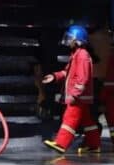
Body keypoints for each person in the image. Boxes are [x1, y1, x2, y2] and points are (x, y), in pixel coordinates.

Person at [42, 25, 99, 154]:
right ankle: (94, 144)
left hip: (78, 96)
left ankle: (61, 144)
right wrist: (55, 76)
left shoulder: (82, 55)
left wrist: (74, 94)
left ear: (77, 40)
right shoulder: (76, 54)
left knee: (69, 118)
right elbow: (67, 72)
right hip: (80, 96)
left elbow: (82, 78)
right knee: (88, 121)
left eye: (70, 38)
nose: (67, 41)